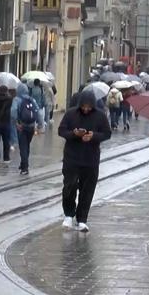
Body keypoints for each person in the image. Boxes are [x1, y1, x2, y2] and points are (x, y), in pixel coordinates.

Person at [58, 91, 112, 232]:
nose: (86, 109)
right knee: (69, 186)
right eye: (84, 106)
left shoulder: (100, 116)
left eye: (89, 107)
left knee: (87, 190)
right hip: (72, 157)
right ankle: (69, 214)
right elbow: (61, 131)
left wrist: (93, 136)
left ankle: (82, 219)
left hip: (91, 159)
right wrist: (74, 134)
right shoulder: (70, 114)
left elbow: (107, 133)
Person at [13, 82, 43, 175]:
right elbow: (39, 112)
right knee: (27, 145)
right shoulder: (31, 100)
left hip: (22, 126)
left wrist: (16, 123)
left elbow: (13, 112)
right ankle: (23, 164)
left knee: (23, 146)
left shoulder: (17, 100)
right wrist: (40, 125)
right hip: (31, 127)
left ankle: (24, 168)